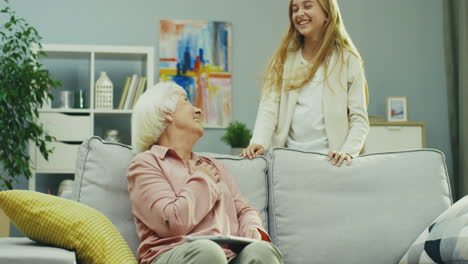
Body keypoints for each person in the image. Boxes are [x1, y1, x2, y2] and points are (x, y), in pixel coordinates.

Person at [128, 81, 283, 264]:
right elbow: (172, 222)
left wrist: (251, 230)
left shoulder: (214, 166)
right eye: (186, 102)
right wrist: (202, 179)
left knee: (262, 252)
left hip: (227, 257)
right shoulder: (146, 163)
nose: (199, 111)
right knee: (208, 252)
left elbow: (245, 210)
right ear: (166, 113)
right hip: (175, 254)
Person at [242, 0, 370, 167]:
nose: (299, 13)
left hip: (333, 164)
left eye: (307, 6)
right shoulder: (282, 61)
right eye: (295, 9)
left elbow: (359, 119)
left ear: (327, 13)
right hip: (288, 163)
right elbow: (268, 109)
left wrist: (347, 152)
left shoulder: (349, 61)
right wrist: (258, 142)